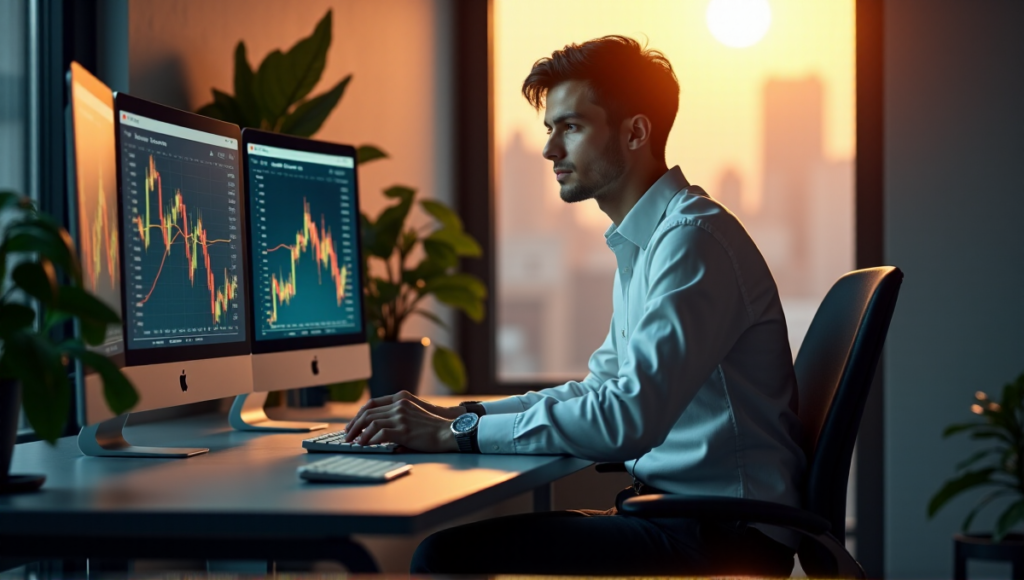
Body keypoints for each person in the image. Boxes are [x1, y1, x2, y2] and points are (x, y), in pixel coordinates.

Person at [342, 35, 804, 576]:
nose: (549, 150)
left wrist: (455, 435)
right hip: (683, 515)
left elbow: (628, 418)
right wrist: (461, 416)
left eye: (572, 127)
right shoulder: (648, 242)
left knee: (444, 556)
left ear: (635, 131)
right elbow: (599, 390)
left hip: (724, 535)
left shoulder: (692, 241)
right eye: (549, 129)